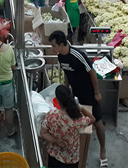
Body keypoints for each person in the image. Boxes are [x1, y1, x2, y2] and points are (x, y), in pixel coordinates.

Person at [49, 31, 107, 166]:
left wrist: (97, 93)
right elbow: (67, 74)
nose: (52, 49)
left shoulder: (78, 55)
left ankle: (103, 150)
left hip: (89, 94)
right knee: (78, 122)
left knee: (97, 122)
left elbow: (92, 72)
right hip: (75, 94)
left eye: (53, 46)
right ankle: (81, 147)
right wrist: (66, 89)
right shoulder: (60, 57)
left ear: (62, 44)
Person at [40, 85, 95, 168]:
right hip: (71, 159)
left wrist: (56, 141)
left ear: (58, 101)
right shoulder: (77, 120)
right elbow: (92, 119)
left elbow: (43, 133)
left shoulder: (51, 115)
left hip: (54, 156)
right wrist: (82, 109)